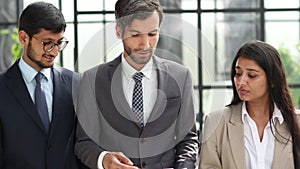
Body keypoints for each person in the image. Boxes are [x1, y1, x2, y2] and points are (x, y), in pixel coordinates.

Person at [74, 0, 199, 169]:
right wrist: (104, 159)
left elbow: (188, 139)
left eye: (152, 34)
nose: (145, 45)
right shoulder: (92, 80)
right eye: (135, 35)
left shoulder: (181, 76)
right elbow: (83, 142)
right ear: (119, 31)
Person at [0, 2, 85, 169]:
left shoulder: (77, 84)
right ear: (24, 38)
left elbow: (84, 145)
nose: (54, 51)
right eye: (47, 43)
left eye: (59, 43)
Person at [198, 40, 300, 169]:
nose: (241, 82)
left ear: (273, 80)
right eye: (238, 73)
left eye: (251, 75)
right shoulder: (216, 122)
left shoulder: (296, 123)